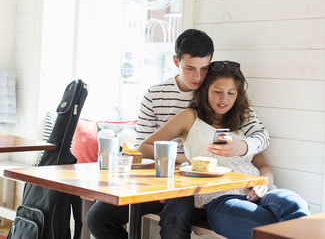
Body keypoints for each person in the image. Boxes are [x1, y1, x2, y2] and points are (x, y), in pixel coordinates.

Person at [86, 29, 269, 239]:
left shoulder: (220, 94)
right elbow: (142, 150)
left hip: (200, 186)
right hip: (164, 177)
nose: (198, 76)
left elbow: (261, 137)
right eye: (190, 68)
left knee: (174, 218)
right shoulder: (154, 96)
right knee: (98, 217)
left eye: (204, 68)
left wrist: (243, 148)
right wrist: (169, 177)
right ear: (176, 61)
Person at [138, 61, 310, 239]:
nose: (223, 99)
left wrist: (264, 183)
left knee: (297, 206)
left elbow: (263, 166)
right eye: (217, 92)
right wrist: (188, 161)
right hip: (221, 198)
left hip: (263, 191)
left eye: (231, 93)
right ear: (205, 90)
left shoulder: (243, 119)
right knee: (272, 226)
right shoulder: (190, 118)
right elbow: (145, 147)